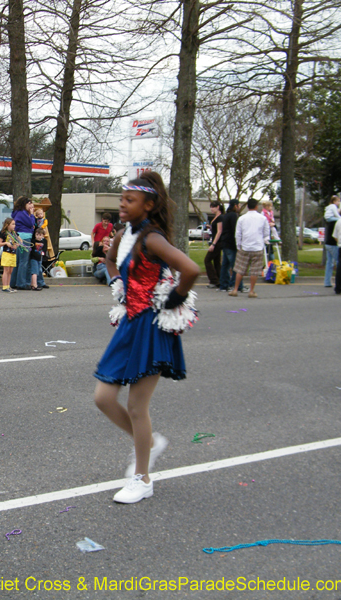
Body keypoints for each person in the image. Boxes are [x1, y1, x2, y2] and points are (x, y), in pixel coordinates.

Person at [94, 174, 199, 504]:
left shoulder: (152, 239)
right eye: (122, 198)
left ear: (149, 205)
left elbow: (191, 269)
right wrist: (117, 284)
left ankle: (142, 478)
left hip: (151, 328)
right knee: (104, 398)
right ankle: (150, 443)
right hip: (129, 324)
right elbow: (110, 260)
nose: (123, 203)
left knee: (137, 406)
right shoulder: (125, 234)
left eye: (130, 199)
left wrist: (175, 298)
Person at [229, 198, 269, 298]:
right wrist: (264, 241)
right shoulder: (262, 218)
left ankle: (235, 289)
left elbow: (237, 234)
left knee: (240, 269)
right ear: (256, 206)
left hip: (245, 246)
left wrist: (239, 245)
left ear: (247, 207)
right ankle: (251, 291)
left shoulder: (242, 218)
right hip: (257, 247)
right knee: (254, 271)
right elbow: (266, 233)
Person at [218, 199, 242, 292]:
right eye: (239, 205)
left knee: (225, 265)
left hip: (225, 243)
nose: (239, 207)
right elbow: (235, 230)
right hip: (231, 243)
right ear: (235, 205)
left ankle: (224, 285)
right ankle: (237, 285)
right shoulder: (233, 215)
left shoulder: (226, 215)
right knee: (235, 265)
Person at [11, 197, 35, 289]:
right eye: (28, 203)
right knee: (23, 261)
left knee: (18, 261)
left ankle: (14, 282)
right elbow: (31, 223)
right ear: (23, 204)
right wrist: (32, 215)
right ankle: (21, 283)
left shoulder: (18, 213)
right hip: (25, 238)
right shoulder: (22, 213)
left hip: (20, 237)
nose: (31, 205)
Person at [204, 200, 223, 288]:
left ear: (218, 207)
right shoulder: (215, 217)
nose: (211, 209)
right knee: (216, 262)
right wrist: (210, 227)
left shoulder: (220, 218)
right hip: (215, 240)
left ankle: (213, 280)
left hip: (217, 242)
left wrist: (213, 244)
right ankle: (219, 279)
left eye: (213, 207)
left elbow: (219, 231)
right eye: (211, 207)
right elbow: (215, 230)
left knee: (207, 260)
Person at [323, 195, 341, 288]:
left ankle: (327, 282)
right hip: (334, 244)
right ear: (334, 201)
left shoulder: (329, 222)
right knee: (338, 262)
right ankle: (339, 282)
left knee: (329, 263)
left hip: (327, 243)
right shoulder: (336, 222)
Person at [0, 217, 19, 292]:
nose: (14, 226)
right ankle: (4, 286)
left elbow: (19, 241)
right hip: (6, 253)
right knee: (6, 270)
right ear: (7, 225)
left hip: (13, 253)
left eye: (14, 224)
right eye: (13, 224)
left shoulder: (14, 233)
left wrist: (17, 245)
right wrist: (6, 243)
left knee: (10, 271)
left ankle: (8, 285)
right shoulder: (4, 233)